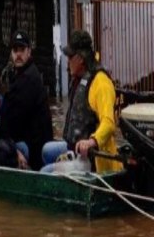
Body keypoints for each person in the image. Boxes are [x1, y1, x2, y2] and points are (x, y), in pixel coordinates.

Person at [41, 30, 122, 173]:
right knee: (47, 150)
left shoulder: (101, 83)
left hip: (93, 159)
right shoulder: (80, 78)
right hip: (75, 149)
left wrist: (91, 141)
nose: (68, 60)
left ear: (81, 58)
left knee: (45, 172)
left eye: (70, 56)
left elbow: (109, 123)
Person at [0, 31, 53, 170]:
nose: (18, 54)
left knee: (2, 149)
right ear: (11, 53)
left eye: (22, 50)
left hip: (35, 154)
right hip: (36, 148)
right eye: (15, 50)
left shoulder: (29, 78)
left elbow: (11, 122)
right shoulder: (21, 74)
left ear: (29, 52)